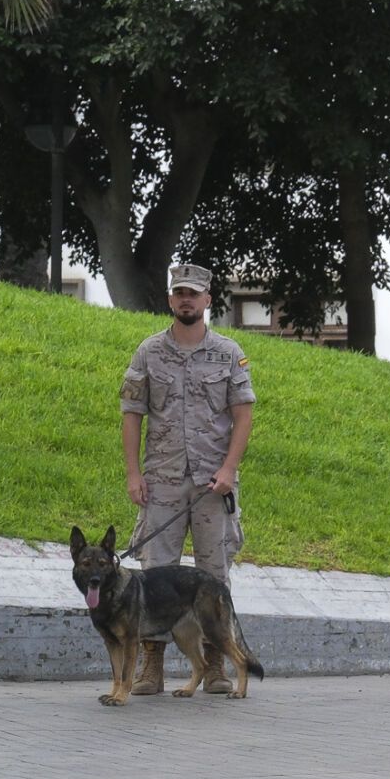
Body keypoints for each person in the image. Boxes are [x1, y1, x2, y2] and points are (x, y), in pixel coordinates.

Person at [120, 262, 256, 695]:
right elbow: (132, 414)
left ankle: (215, 666)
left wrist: (229, 469)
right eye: (179, 292)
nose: (186, 300)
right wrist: (134, 473)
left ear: (207, 300)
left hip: (211, 485)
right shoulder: (148, 352)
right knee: (155, 575)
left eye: (193, 294)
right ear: (170, 299)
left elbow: (243, 414)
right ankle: (151, 668)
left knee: (213, 575)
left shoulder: (228, 353)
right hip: (161, 479)